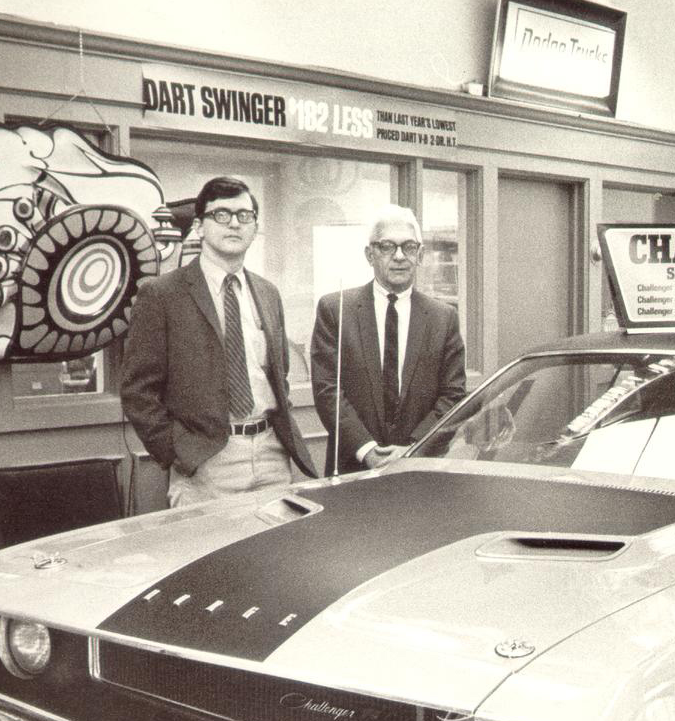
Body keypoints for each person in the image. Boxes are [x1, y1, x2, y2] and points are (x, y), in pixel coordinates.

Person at [121, 176, 315, 505]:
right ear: (199, 226)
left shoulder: (267, 293)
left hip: (272, 454)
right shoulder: (162, 294)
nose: (234, 224)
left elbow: (276, 375)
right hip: (206, 461)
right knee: (212, 556)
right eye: (221, 215)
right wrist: (177, 450)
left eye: (244, 215)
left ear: (255, 227)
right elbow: (138, 391)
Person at [310, 204, 466, 473]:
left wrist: (414, 449)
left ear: (420, 255)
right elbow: (328, 390)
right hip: (352, 468)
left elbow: (453, 394)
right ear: (370, 255)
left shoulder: (444, 317)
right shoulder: (336, 310)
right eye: (387, 247)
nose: (399, 256)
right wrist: (366, 449)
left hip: (420, 469)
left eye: (408, 247)